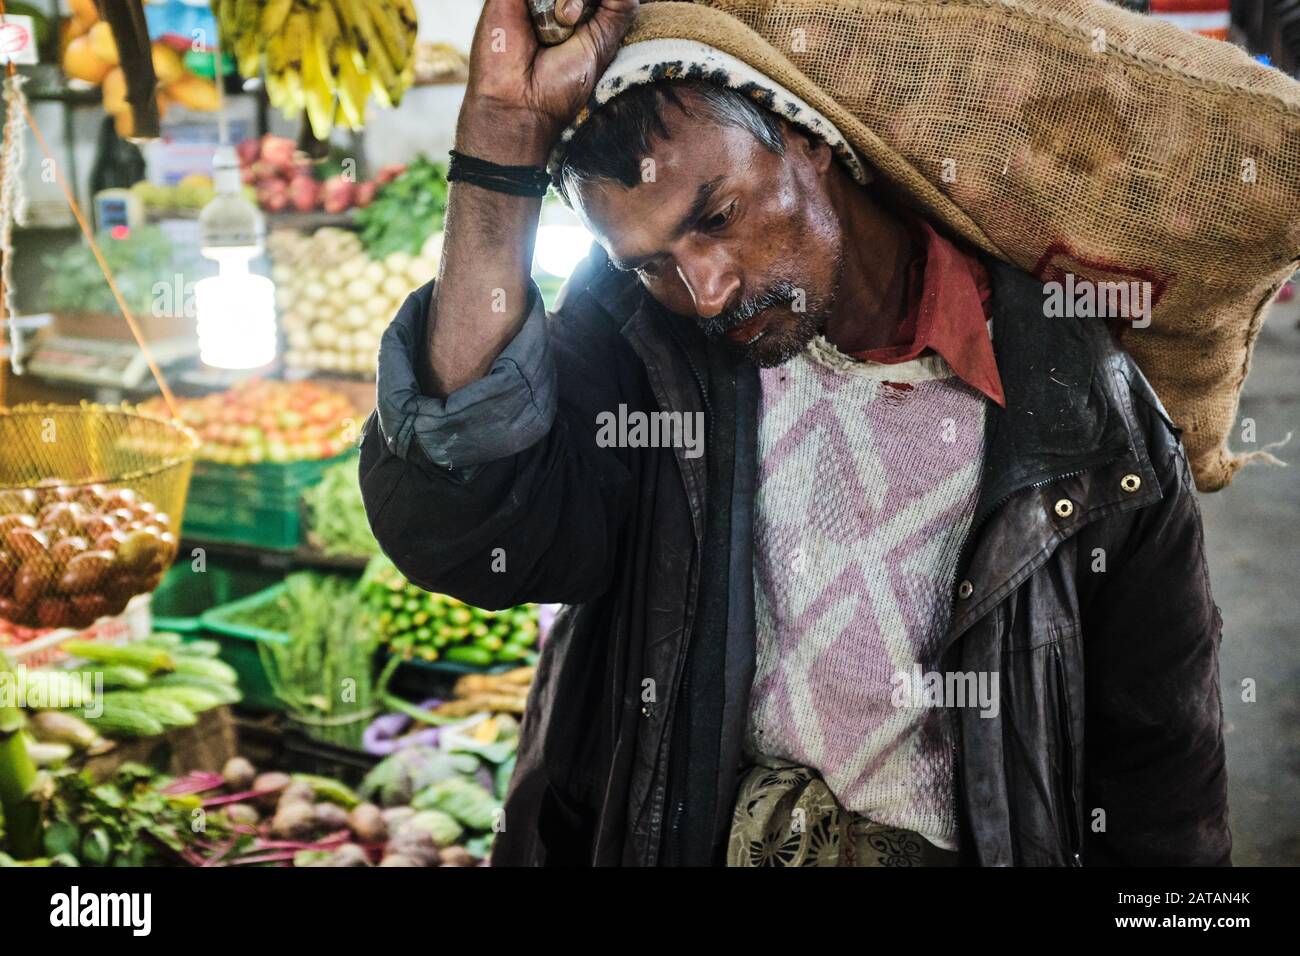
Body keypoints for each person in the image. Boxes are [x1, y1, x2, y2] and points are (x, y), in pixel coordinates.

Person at [359, 0, 1231, 866]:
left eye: (718, 215)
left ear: (807, 139)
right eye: (652, 262)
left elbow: (1162, 770)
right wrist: (500, 140)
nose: (704, 290)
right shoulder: (642, 354)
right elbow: (471, 518)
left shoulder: (1078, 412)